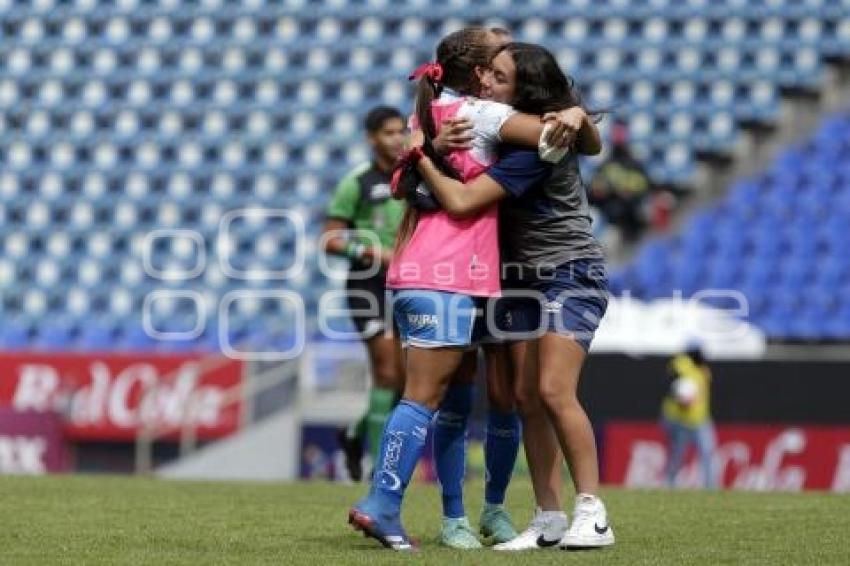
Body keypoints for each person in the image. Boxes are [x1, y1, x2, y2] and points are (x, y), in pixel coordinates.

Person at [347, 27, 581, 551]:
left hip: (456, 274)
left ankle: (449, 508)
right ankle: (384, 504)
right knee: (426, 398)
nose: (506, 66)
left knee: (456, 397)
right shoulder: (483, 115)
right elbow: (552, 139)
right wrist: (573, 114)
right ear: (478, 73)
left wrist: (423, 147)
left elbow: (404, 182)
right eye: (497, 61)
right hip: (445, 272)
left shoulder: (427, 115)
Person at [414, 42, 615, 550]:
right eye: (485, 74)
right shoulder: (517, 131)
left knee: (552, 390)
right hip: (523, 278)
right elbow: (587, 136)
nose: (485, 82)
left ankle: (593, 512)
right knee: (526, 397)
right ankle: (548, 515)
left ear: (523, 89)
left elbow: (461, 201)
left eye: (499, 77)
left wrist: (420, 158)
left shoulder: (538, 145)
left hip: (571, 271)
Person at [321, 106, 406, 481]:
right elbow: (329, 239)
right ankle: (378, 469)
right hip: (367, 284)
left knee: (406, 382)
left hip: (410, 281)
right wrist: (370, 251)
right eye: (389, 132)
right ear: (372, 138)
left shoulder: (416, 176)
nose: (398, 138)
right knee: (386, 373)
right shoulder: (357, 181)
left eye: (402, 130)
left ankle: (355, 434)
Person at [588, 120, 653, 245]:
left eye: (620, 133)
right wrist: (599, 191)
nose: (617, 137)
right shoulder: (606, 162)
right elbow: (593, 190)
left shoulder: (635, 163)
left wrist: (628, 192)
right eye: (616, 133)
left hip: (630, 218)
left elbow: (643, 187)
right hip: (608, 213)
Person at [661, 345, 717, 489]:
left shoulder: (704, 371)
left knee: (708, 453)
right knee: (677, 455)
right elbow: (673, 371)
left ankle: (711, 487)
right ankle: (669, 484)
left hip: (701, 420)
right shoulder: (684, 364)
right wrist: (679, 390)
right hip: (680, 420)